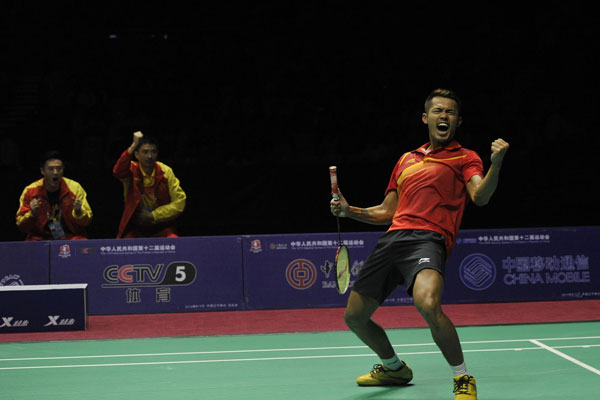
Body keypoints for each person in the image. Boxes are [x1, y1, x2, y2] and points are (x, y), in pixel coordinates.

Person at [330, 88, 509, 400]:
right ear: (425, 118)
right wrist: (349, 211)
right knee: (354, 317)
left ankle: (462, 377)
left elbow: (480, 196)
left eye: (450, 112)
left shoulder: (465, 158)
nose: (444, 116)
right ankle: (394, 368)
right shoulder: (406, 160)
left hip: (428, 239)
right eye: (438, 111)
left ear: (458, 121)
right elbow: (387, 212)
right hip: (393, 239)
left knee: (428, 303)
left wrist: (497, 162)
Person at [113, 131, 186, 238]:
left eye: (153, 152)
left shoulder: (165, 171)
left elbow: (180, 202)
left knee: (174, 241)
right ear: (137, 154)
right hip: (135, 227)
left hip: (161, 226)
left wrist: (154, 216)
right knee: (125, 246)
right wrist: (133, 145)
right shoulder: (131, 169)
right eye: (145, 152)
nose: (150, 156)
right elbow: (118, 172)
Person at [16, 150, 92, 240]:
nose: (55, 172)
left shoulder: (75, 188)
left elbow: (87, 221)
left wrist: (78, 212)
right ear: (42, 171)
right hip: (40, 237)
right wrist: (32, 214)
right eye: (51, 169)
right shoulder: (31, 191)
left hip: (69, 236)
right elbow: (21, 226)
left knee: (83, 243)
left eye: (59, 168)